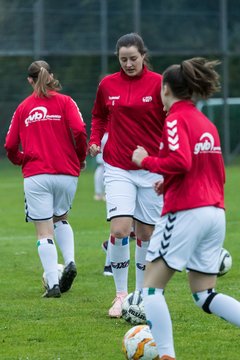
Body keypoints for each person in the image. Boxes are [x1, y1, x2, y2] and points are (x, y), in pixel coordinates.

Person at [132, 57, 240, 360]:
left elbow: (181, 161)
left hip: (186, 211)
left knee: (151, 289)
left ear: (166, 89)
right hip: (215, 212)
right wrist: (167, 182)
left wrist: (145, 161)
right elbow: (212, 171)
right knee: (204, 294)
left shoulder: (176, 118)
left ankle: (166, 355)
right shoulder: (206, 123)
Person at [88, 33, 166, 317]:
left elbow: (172, 121)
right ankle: (121, 296)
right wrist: (95, 139)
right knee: (120, 229)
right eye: (123, 60)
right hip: (118, 166)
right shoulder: (108, 85)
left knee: (146, 233)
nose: (129, 64)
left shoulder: (159, 84)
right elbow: (99, 115)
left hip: (150, 169)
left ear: (143, 55)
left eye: (133, 58)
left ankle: (142, 295)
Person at [4, 60, 87, 298]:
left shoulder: (23, 108)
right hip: (66, 172)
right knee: (61, 218)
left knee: (43, 231)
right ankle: (69, 261)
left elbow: (9, 144)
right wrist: (79, 157)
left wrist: (20, 159)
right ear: (51, 76)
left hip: (37, 174)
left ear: (30, 80)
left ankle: (53, 285)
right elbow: (80, 131)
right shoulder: (66, 102)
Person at [93, 132, 108, 201]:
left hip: (101, 134)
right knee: (106, 167)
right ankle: (106, 193)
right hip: (110, 134)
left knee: (101, 167)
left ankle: (99, 194)